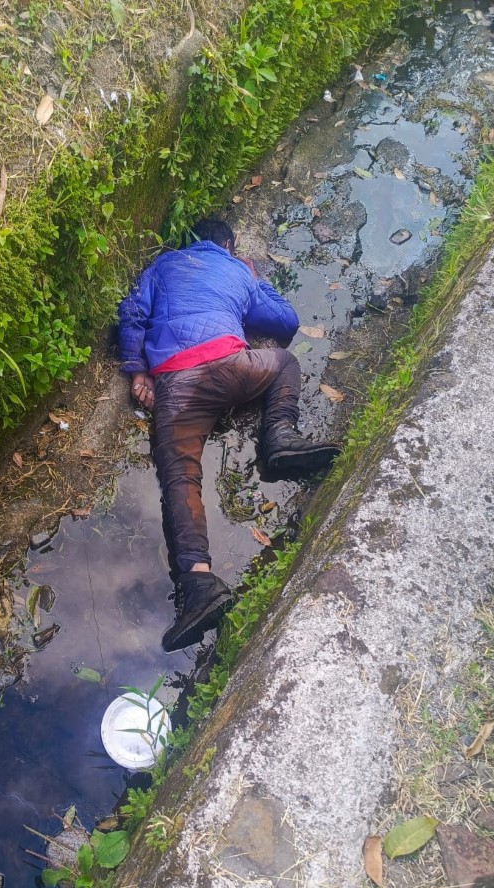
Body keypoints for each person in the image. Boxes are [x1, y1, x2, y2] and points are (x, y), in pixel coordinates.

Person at [116, 217, 341, 652]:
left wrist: (137, 368)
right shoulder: (237, 269)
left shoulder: (162, 266)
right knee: (284, 362)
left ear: (190, 242)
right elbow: (285, 322)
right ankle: (278, 438)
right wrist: (256, 280)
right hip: (232, 367)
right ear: (228, 244)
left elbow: (132, 313)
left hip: (177, 383)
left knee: (179, 475)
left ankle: (199, 582)